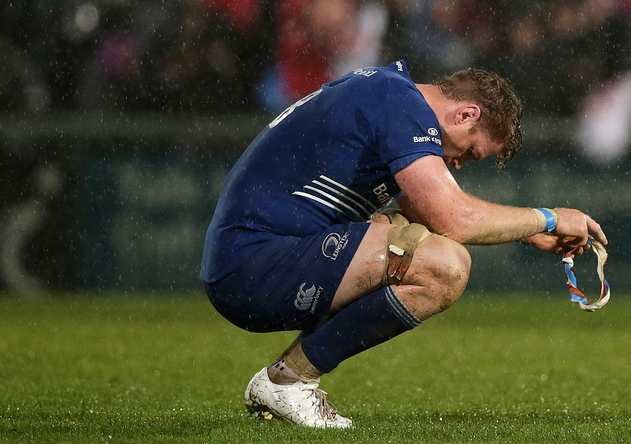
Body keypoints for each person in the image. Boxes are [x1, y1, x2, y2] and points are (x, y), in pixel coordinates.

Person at [200, 60, 607, 429]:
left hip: (253, 259)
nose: (459, 163)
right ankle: (290, 380)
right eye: (470, 151)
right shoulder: (398, 103)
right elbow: (453, 218)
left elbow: (429, 213)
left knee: (414, 236)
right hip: (252, 265)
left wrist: (525, 231)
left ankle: (285, 378)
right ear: (466, 114)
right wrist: (550, 217)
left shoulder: (389, 91)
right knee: (443, 267)